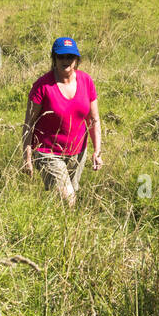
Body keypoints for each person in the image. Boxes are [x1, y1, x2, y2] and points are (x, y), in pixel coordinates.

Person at [23, 36, 102, 199]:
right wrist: (27, 157)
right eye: (61, 56)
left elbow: (94, 120)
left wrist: (97, 151)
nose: (65, 60)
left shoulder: (86, 81)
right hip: (47, 152)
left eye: (70, 56)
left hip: (78, 152)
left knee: (66, 198)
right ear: (54, 58)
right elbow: (29, 124)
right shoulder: (42, 86)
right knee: (68, 198)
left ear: (76, 59)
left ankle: (55, 223)